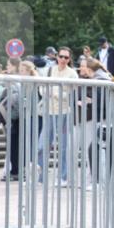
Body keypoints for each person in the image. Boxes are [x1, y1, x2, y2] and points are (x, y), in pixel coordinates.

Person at [38, 46, 79, 184]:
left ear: (69, 59)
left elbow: (73, 94)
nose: (63, 59)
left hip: (64, 112)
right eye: (61, 56)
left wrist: (55, 93)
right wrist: (46, 92)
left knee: (63, 146)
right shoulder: (49, 70)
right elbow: (41, 87)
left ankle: (63, 177)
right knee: (42, 145)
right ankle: (40, 176)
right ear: (56, 57)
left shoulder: (72, 73)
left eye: (66, 57)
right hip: (49, 111)